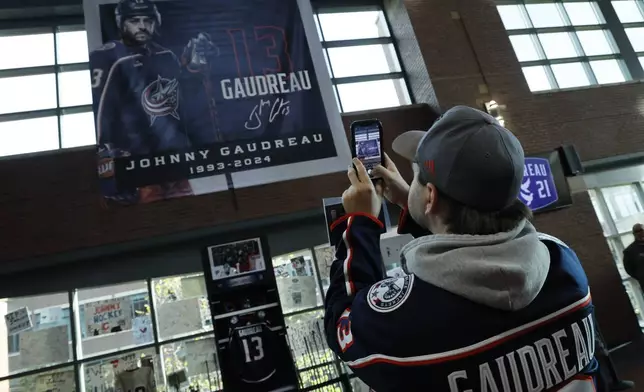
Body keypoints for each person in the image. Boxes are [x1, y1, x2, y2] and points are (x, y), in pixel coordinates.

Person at [324, 106, 600, 391]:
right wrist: (418, 206)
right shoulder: (562, 262)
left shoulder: (409, 322)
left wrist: (358, 224)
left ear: (430, 196)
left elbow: (342, 325)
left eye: (418, 176)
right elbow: (474, 249)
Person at [91, 0, 220, 204]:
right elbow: (100, 109)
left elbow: (180, 99)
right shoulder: (108, 57)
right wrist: (106, 152)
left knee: (188, 212)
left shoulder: (166, 55)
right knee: (151, 218)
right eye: (134, 20)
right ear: (121, 23)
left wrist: (193, 69)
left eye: (147, 20)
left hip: (173, 159)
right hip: (138, 162)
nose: (142, 26)